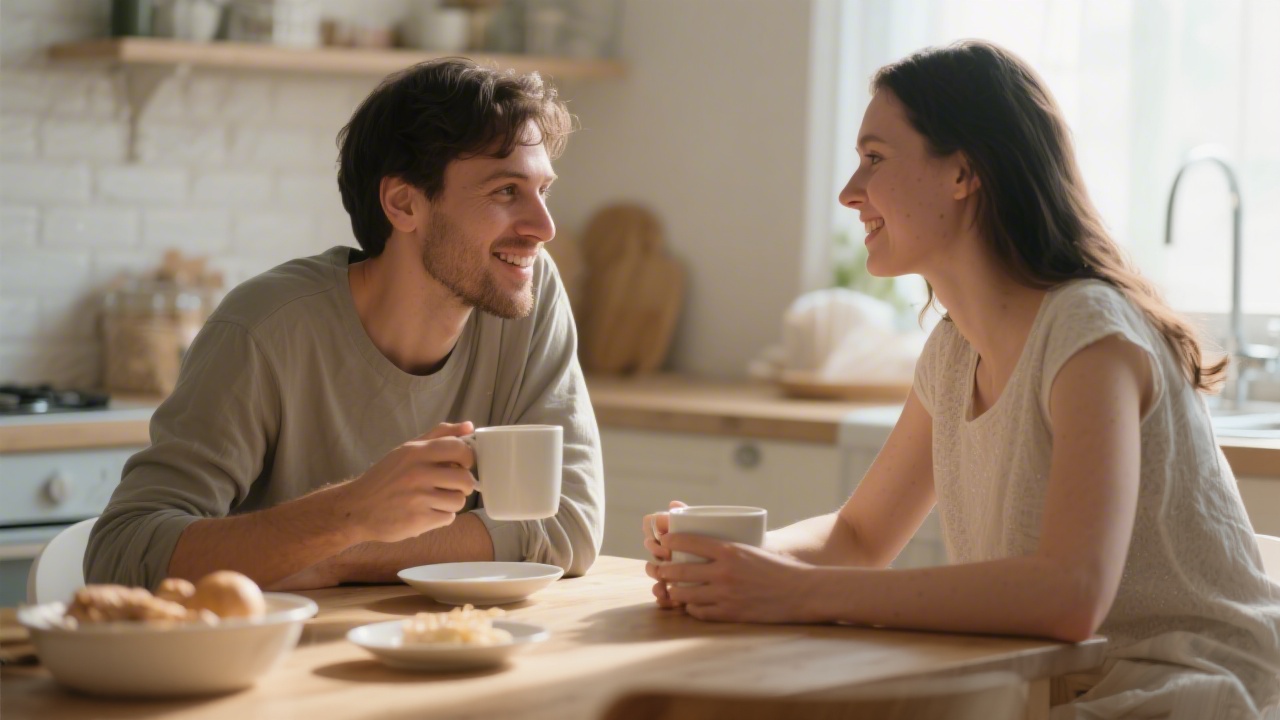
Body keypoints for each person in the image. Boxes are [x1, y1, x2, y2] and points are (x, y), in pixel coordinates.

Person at [644, 41, 1279, 719]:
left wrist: (795, 593)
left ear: (963, 173)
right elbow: (859, 538)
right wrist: (728, 558)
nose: (850, 191)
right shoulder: (953, 352)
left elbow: (1070, 595)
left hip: (1195, 692)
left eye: (875, 158)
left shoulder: (1088, 332)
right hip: (1072, 687)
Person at [87, 58, 604, 592]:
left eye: (543, 190)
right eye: (504, 192)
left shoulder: (526, 290)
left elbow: (569, 527)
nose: (543, 228)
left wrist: (340, 555)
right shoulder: (264, 330)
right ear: (404, 203)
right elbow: (123, 553)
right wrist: (349, 511)